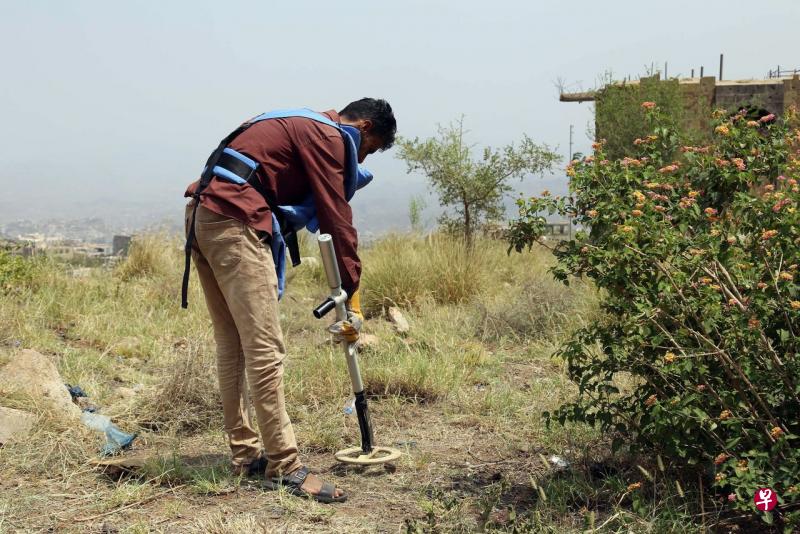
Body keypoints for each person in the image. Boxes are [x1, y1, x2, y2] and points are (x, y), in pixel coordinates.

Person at [182, 98, 396, 503]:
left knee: (233, 345)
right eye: (367, 150)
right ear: (364, 128)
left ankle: (245, 456)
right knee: (265, 348)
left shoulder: (294, 120)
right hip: (234, 219)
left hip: (203, 214)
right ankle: (285, 465)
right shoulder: (329, 136)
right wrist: (352, 291)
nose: (358, 158)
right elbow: (336, 214)